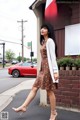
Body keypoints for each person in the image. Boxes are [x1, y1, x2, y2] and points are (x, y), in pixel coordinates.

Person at [12, 23, 59, 120]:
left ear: (49, 31)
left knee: (49, 91)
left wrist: (55, 71)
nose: (42, 29)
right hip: (43, 69)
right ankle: (24, 106)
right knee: (34, 88)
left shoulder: (50, 41)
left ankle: (53, 113)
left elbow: (53, 57)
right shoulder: (43, 42)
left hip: (48, 69)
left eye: (45, 28)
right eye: (42, 28)